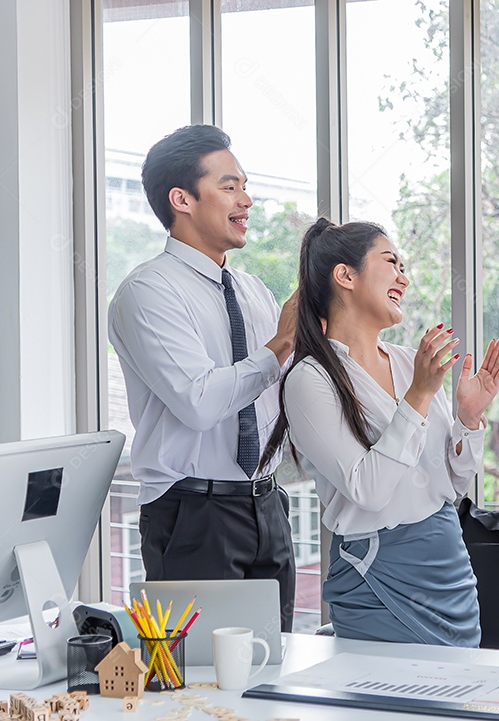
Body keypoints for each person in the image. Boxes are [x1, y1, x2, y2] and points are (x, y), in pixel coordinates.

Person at [260, 218, 499, 646]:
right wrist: (418, 396)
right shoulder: (310, 379)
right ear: (346, 275)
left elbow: (450, 484)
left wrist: (468, 419)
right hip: (376, 573)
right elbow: (368, 490)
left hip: (449, 565)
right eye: (391, 262)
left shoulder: (408, 361)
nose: (404, 278)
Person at [109, 125, 299, 631]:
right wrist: (279, 344)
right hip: (193, 516)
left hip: (266, 505)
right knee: (197, 688)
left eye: (245, 186)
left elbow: (276, 393)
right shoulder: (148, 292)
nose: (247, 200)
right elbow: (198, 401)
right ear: (182, 199)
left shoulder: (253, 289)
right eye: (230, 186)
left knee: (270, 674)